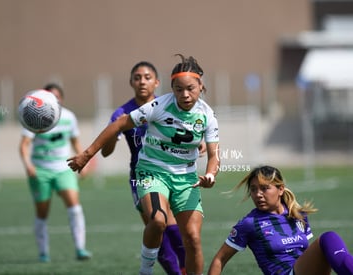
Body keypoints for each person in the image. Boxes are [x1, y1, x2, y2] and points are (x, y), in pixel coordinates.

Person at [67, 54, 220, 275]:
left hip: (186, 177)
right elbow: (120, 123)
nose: (184, 94)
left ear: (200, 86)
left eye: (190, 88)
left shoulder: (207, 115)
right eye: (178, 89)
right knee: (158, 221)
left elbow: (214, 154)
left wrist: (211, 175)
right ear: (171, 88)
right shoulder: (159, 105)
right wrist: (87, 154)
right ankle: (145, 271)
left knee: (193, 239)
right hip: (152, 172)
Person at [100, 61, 187, 275]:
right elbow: (106, 152)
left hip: (170, 173)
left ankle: (187, 270)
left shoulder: (168, 106)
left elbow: (186, 134)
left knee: (177, 230)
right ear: (131, 82)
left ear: (157, 82)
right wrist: (114, 132)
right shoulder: (123, 113)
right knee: (157, 226)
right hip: (142, 177)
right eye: (137, 77)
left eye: (147, 77)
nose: (142, 81)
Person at [208, 165, 353, 275]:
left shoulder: (298, 215)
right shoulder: (249, 223)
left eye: (264, 188)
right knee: (328, 237)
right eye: (253, 189)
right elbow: (219, 259)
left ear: (280, 189)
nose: (258, 194)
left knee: (329, 241)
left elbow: (305, 254)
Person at [19, 83, 92, 262]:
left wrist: (83, 162)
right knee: (42, 212)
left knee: (74, 207)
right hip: (40, 170)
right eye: (49, 96)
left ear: (61, 100)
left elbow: (76, 142)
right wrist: (28, 164)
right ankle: (43, 252)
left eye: (56, 97)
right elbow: (24, 145)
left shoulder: (69, 117)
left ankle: (80, 248)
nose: (53, 100)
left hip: (63, 168)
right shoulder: (32, 116)